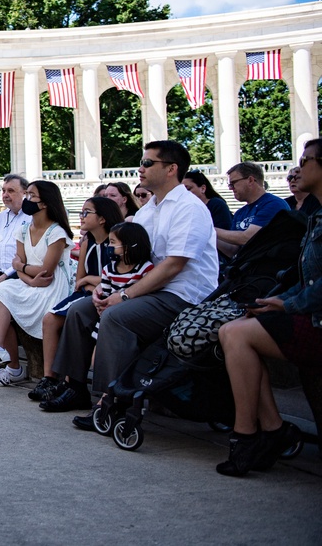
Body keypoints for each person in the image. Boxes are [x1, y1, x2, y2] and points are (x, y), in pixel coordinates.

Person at [40, 140, 218, 413]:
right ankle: (74, 387)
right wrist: (106, 289)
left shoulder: (189, 208)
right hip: (148, 290)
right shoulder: (147, 211)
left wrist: (122, 296)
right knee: (79, 311)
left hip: (182, 296)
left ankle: (111, 401)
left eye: (148, 163)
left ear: (171, 169)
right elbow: (131, 262)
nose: (141, 168)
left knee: (116, 316)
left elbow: (174, 266)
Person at [214, 138, 322, 477]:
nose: (297, 167)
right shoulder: (315, 216)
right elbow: (302, 276)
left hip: (315, 318)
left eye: (305, 160)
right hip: (305, 310)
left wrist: (286, 303)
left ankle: (250, 435)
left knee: (235, 334)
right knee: (238, 328)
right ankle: (268, 431)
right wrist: (274, 300)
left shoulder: (292, 211)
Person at [0, 181, 75, 388]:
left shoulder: (57, 233)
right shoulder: (23, 229)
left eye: (32, 195)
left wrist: (24, 269)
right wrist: (29, 277)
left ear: (45, 203)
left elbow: (45, 270)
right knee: (0, 291)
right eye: (27, 194)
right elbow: (18, 266)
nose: (27, 199)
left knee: (8, 297)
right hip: (32, 283)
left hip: (54, 286)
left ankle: (42, 375)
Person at [31, 197, 123, 401]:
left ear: (101, 218)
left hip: (112, 294)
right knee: (50, 319)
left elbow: (118, 277)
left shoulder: (116, 241)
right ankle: (50, 378)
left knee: (75, 313)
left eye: (86, 213)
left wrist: (93, 280)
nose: (81, 217)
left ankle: (71, 383)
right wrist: (93, 282)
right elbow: (80, 280)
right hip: (88, 292)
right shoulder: (88, 241)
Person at [92, 222, 155, 339]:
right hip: (106, 317)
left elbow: (148, 293)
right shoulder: (108, 269)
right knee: (100, 344)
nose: (108, 246)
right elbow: (105, 294)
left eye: (112, 242)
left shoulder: (145, 268)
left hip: (130, 317)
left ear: (129, 245)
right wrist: (99, 304)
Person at [216, 162, 289, 259]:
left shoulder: (274, 204)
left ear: (250, 180)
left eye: (233, 183)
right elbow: (232, 250)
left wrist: (211, 229)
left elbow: (248, 238)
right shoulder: (240, 213)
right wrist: (207, 234)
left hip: (269, 269)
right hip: (249, 269)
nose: (230, 188)